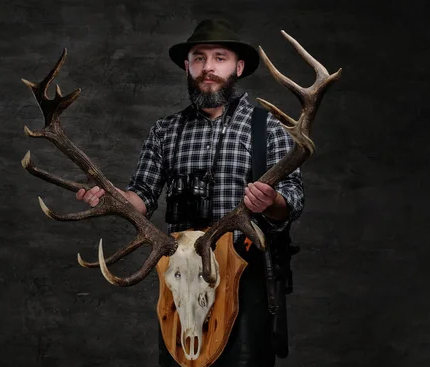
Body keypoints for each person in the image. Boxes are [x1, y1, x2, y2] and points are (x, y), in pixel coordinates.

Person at [76, 19, 304, 367]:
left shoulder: (268, 126)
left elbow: (292, 198)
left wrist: (271, 201)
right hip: (181, 277)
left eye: (219, 58)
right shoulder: (166, 130)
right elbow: (142, 196)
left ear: (238, 67)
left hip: (242, 271)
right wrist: (112, 199)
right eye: (199, 58)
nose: (208, 67)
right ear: (188, 65)